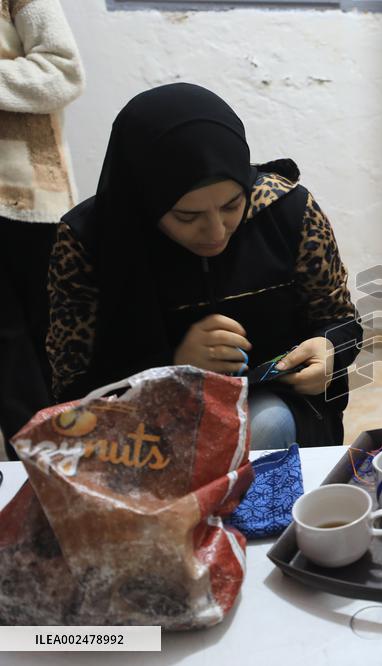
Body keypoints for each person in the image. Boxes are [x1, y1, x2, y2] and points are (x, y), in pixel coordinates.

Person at [47, 83, 363, 450]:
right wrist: (173, 368)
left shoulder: (285, 210)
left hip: (275, 408)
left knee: (266, 426)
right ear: (145, 202)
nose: (215, 231)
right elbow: (71, 388)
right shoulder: (91, 241)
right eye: (187, 215)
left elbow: (341, 320)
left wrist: (329, 350)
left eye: (231, 206)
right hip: (147, 424)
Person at [0, 0, 84, 454]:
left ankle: (65, 485)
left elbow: (63, 71)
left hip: (30, 198)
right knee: (8, 360)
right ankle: (39, 485)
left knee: (53, 352)